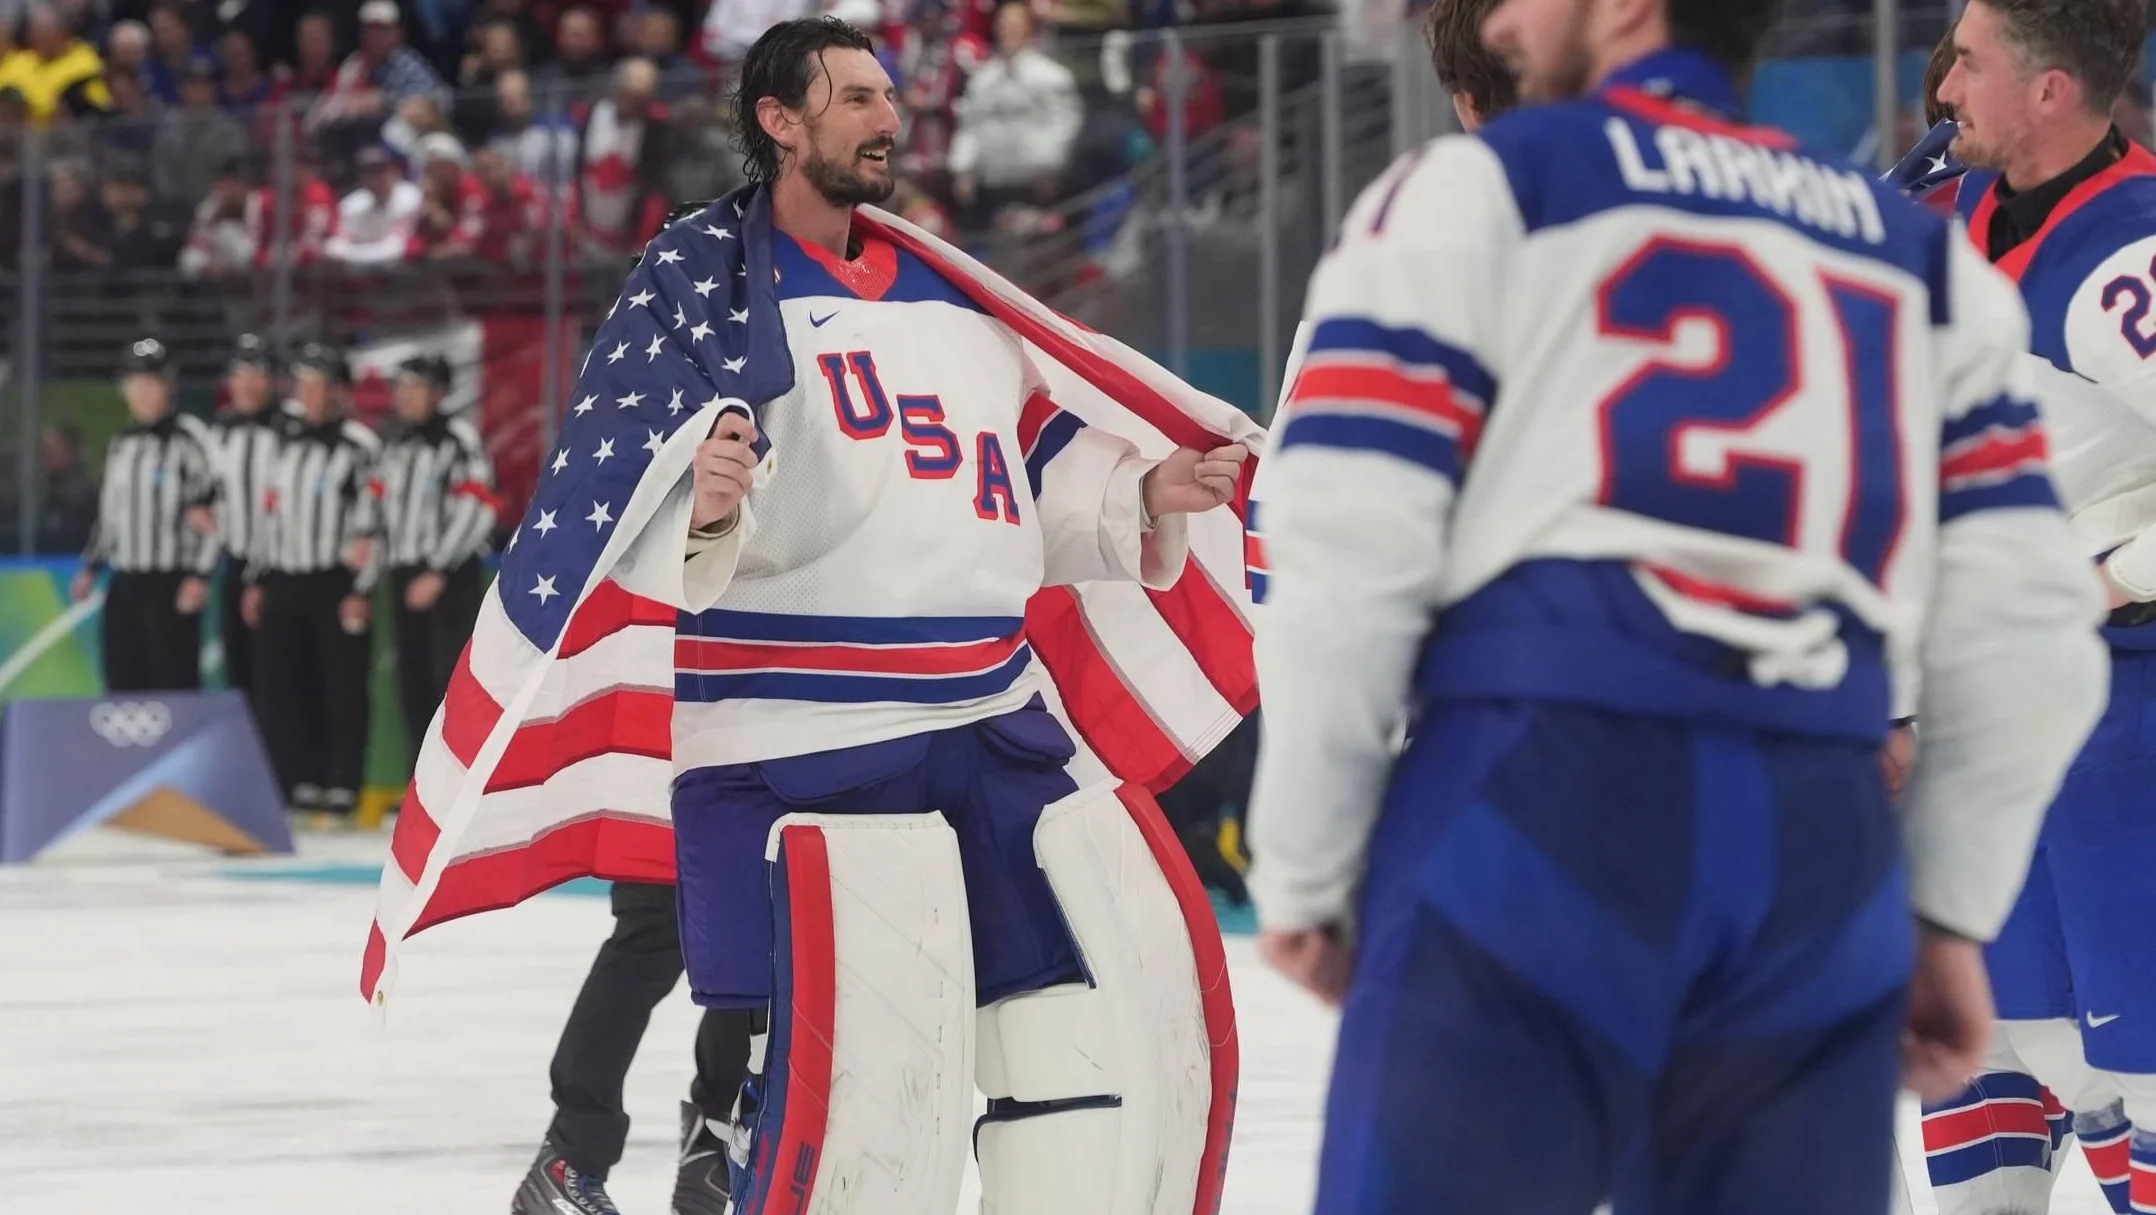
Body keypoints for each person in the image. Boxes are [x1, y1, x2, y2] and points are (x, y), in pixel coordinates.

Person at [1245, 4, 2111, 1215]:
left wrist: (1307, 866)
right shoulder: (1903, 246)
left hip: (1537, 791)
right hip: (1817, 831)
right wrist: (1942, 905)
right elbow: (2028, 636)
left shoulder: (1473, 195)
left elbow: (1332, 556)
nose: (1500, 17)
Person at [504, 16, 1247, 1213]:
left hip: (982, 718)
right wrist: (697, 501)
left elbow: (1008, 480)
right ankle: (583, 1155)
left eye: (889, 95)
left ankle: (695, 1143)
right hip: (782, 727)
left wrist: (1137, 492)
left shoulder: (956, 300)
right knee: (823, 1054)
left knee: (1058, 1025)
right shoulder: (705, 284)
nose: (886, 118)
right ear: (777, 120)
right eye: (852, 97)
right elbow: (624, 488)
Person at [1901, 3, 2156, 1213]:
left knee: (2129, 1078)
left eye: (1967, 60)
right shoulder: (1948, 216)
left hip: (2114, 713)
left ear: (2049, 93)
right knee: (1990, 1045)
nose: (1941, 81)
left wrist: (2109, 577)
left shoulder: (2125, 256)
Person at [513, 881, 756, 1215]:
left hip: (736, 835)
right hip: (667, 836)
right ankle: (569, 1156)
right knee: (657, 924)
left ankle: (714, 1160)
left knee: (752, 944)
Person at [244, 343, 380, 821]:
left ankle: (341, 781)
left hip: (333, 580)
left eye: (318, 384)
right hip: (284, 575)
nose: (307, 393)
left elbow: (371, 523)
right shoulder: (284, 441)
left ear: (339, 392)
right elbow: (269, 515)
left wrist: (360, 587)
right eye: (303, 383)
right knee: (286, 684)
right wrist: (257, 577)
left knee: (340, 685)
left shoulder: (359, 446)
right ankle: (297, 779)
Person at [72, 336, 220, 693]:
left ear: (169, 385)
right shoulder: (123, 442)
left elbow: (216, 512)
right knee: (122, 680)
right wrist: (91, 566)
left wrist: (199, 575)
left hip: (171, 580)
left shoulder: (191, 439)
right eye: (135, 382)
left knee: (173, 684)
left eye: (151, 381)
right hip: (126, 580)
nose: (142, 391)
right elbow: (110, 514)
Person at [375, 353, 495, 757]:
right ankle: (419, 783)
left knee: (449, 679)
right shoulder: (394, 444)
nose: (405, 396)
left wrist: (438, 570)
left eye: (416, 387)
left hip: (449, 575)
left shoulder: (458, 439)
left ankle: (456, 784)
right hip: (404, 570)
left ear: (439, 392)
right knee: (412, 683)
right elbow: (379, 507)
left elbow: (478, 507)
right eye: (401, 387)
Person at [204, 332, 285, 717]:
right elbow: (203, 493)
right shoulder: (217, 433)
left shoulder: (292, 431)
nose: (249, 384)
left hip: (281, 570)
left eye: (258, 374)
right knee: (237, 676)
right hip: (234, 565)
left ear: (271, 380)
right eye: (241, 374)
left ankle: (283, 771)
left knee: (277, 677)